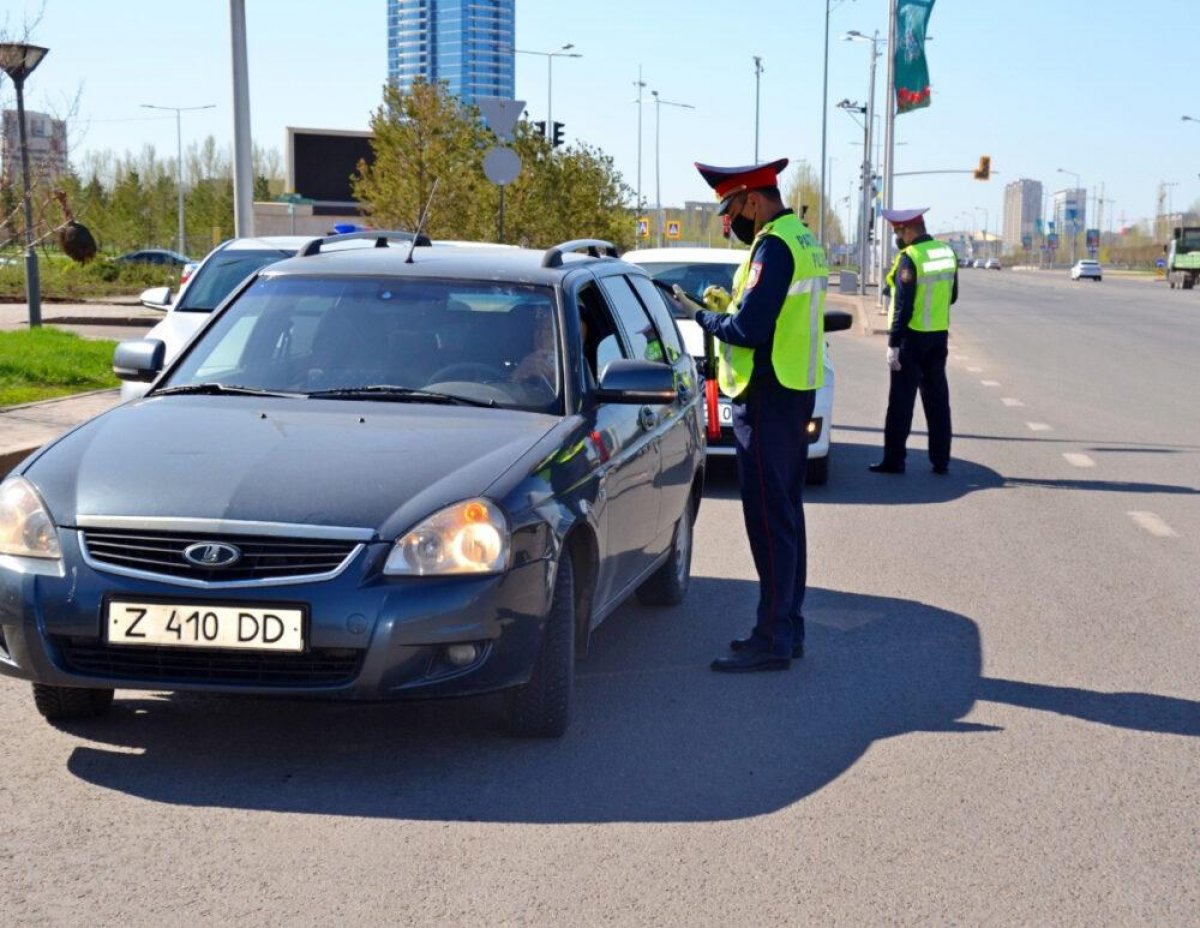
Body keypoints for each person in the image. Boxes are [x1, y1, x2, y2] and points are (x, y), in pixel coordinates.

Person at [673, 158, 828, 673]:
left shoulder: (774, 246)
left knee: (768, 521)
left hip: (766, 398)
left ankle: (773, 637)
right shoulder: (802, 238)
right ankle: (789, 628)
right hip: (789, 392)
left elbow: (750, 330)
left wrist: (702, 316)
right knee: (786, 518)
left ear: (753, 200)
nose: (730, 221)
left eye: (732, 208)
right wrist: (732, 308)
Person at [869, 208, 959, 476]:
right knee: (938, 402)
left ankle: (894, 460)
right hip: (938, 337)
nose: (897, 237)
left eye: (897, 232)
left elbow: (903, 307)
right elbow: (952, 296)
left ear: (908, 230)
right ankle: (941, 460)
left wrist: (893, 343)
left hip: (911, 340)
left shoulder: (910, 258)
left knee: (900, 403)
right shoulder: (946, 253)